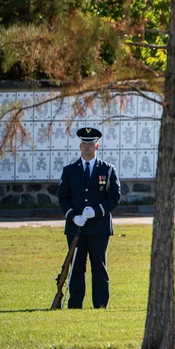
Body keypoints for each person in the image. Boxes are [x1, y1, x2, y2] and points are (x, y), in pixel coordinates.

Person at [57, 126, 121, 309]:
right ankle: (75, 305)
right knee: (76, 267)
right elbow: (63, 197)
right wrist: (72, 216)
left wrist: (96, 211)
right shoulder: (69, 170)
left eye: (91, 143)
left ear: (97, 146)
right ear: (80, 146)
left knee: (99, 267)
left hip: (99, 227)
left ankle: (100, 305)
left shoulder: (108, 170)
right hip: (76, 226)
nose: (87, 146)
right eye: (84, 143)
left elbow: (114, 198)